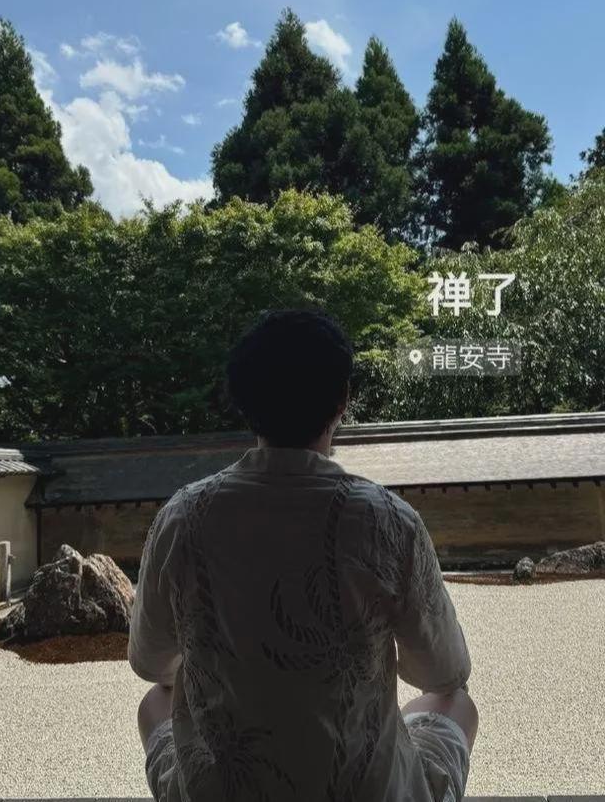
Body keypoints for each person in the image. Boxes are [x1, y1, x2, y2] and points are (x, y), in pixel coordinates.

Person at [129, 309, 479, 802]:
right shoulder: (387, 520)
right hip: (365, 793)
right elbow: (444, 672)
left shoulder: (183, 518)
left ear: (244, 402)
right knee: (455, 702)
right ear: (342, 400)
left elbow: (152, 663)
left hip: (222, 791)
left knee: (156, 701)